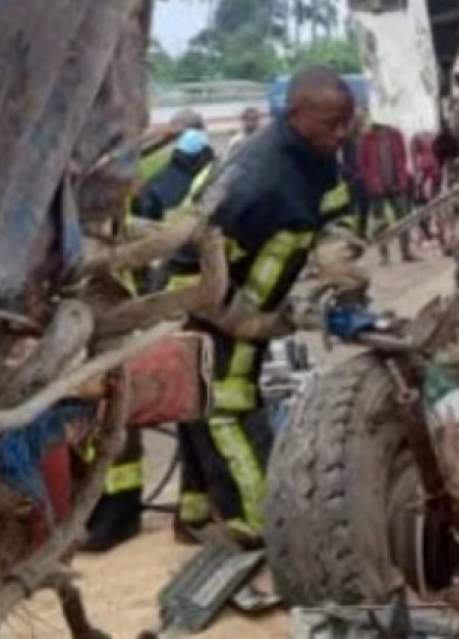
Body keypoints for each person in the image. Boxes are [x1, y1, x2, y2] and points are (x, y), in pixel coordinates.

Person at [167, 66, 365, 545]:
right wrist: (244, 320)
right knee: (225, 408)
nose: (340, 135)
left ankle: (195, 515)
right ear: (294, 115)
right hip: (209, 311)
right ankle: (260, 523)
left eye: (347, 123)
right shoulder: (253, 180)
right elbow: (185, 263)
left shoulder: (318, 157)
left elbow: (336, 206)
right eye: (330, 124)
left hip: (258, 311)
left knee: (198, 402)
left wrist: (337, 250)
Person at [355, 118, 416, 263]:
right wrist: (371, 181)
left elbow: (403, 157)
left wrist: (402, 178)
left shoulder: (396, 135)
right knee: (380, 222)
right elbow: (363, 163)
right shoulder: (367, 138)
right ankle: (384, 254)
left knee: (404, 218)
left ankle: (406, 251)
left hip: (397, 183)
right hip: (377, 186)